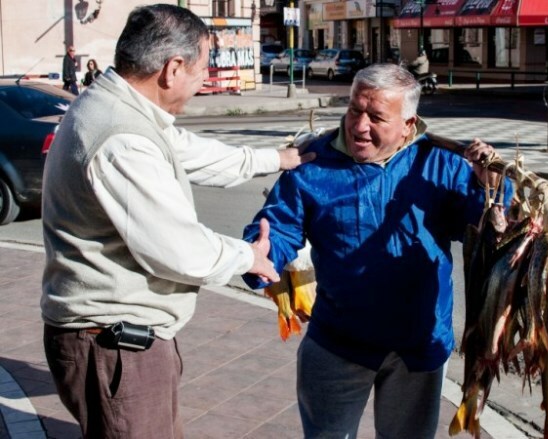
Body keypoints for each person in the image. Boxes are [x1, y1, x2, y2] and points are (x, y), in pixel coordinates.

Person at [41, 4, 313, 438]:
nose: (205, 78)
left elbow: (190, 152)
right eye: (204, 68)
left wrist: (276, 159)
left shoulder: (121, 105)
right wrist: (250, 256)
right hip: (115, 344)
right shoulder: (122, 137)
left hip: (121, 340)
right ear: (173, 68)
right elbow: (178, 249)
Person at [242, 63, 512, 438]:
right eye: (355, 109)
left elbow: (491, 231)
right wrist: (261, 250)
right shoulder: (312, 162)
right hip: (337, 341)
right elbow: (280, 225)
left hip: (417, 347)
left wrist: (492, 188)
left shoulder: (440, 163)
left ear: (407, 123)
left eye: (376, 117)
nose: (359, 126)